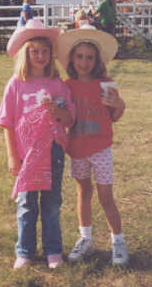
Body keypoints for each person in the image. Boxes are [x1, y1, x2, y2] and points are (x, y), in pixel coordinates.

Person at [0, 19, 75, 270]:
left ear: (51, 54)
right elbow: (7, 122)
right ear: (25, 54)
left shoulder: (57, 85)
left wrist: (56, 111)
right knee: (27, 204)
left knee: (51, 203)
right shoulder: (16, 84)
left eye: (44, 51)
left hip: (52, 151)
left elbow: (69, 118)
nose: (39, 56)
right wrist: (12, 156)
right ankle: (25, 251)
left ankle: (53, 250)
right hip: (26, 154)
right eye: (33, 51)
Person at [55, 22, 128, 265]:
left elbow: (114, 117)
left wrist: (119, 105)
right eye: (79, 56)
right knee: (83, 193)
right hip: (77, 150)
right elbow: (64, 118)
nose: (84, 62)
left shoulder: (106, 84)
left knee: (106, 196)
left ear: (97, 60)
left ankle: (118, 240)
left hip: (101, 149)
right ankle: (85, 239)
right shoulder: (66, 86)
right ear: (71, 58)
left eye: (89, 57)